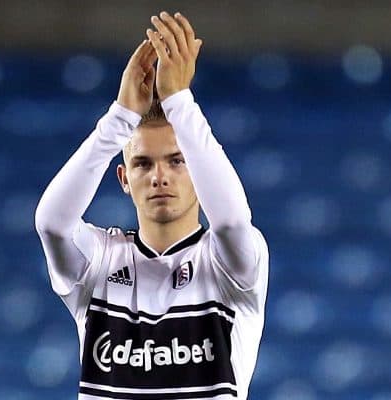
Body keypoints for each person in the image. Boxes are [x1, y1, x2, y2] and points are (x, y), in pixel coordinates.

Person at [35, 11, 269, 400]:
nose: (160, 176)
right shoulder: (100, 261)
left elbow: (230, 221)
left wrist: (179, 100)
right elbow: (51, 224)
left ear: (198, 170)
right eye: (143, 163)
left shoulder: (231, 262)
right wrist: (121, 118)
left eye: (177, 161)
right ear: (124, 180)